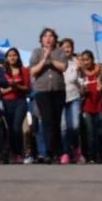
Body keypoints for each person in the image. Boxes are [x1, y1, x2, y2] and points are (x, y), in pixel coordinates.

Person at [29, 28, 68, 163]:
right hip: (42, 91)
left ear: (55, 39)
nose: (48, 38)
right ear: (41, 39)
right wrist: (44, 60)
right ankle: (49, 152)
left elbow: (63, 67)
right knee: (47, 121)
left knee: (56, 122)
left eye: (51, 36)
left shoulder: (60, 52)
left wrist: (51, 59)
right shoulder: (36, 52)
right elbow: (33, 71)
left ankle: (58, 152)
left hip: (58, 90)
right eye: (45, 36)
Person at [1, 47, 30, 163]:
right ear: (6, 58)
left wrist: (16, 86)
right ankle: (13, 153)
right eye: (10, 56)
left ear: (18, 57)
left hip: (20, 102)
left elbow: (26, 88)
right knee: (11, 129)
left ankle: (19, 153)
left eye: (14, 55)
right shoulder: (3, 72)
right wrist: (11, 87)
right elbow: (1, 90)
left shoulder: (24, 70)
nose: (12, 57)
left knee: (17, 127)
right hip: (6, 102)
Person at [78, 50, 102, 163]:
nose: (86, 62)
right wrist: (83, 91)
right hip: (86, 106)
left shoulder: (100, 70)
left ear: (92, 59)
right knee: (89, 132)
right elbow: (79, 90)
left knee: (100, 131)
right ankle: (91, 156)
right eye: (84, 60)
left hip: (99, 105)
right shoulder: (81, 73)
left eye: (88, 59)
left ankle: (101, 155)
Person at [59, 38, 82, 164]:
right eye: (64, 47)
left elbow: (81, 80)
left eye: (69, 47)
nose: (67, 49)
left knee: (74, 126)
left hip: (74, 97)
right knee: (63, 127)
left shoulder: (76, 62)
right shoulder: (57, 62)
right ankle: (65, 152)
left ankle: (75, 148)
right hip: (60, 97)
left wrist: (79, 69)